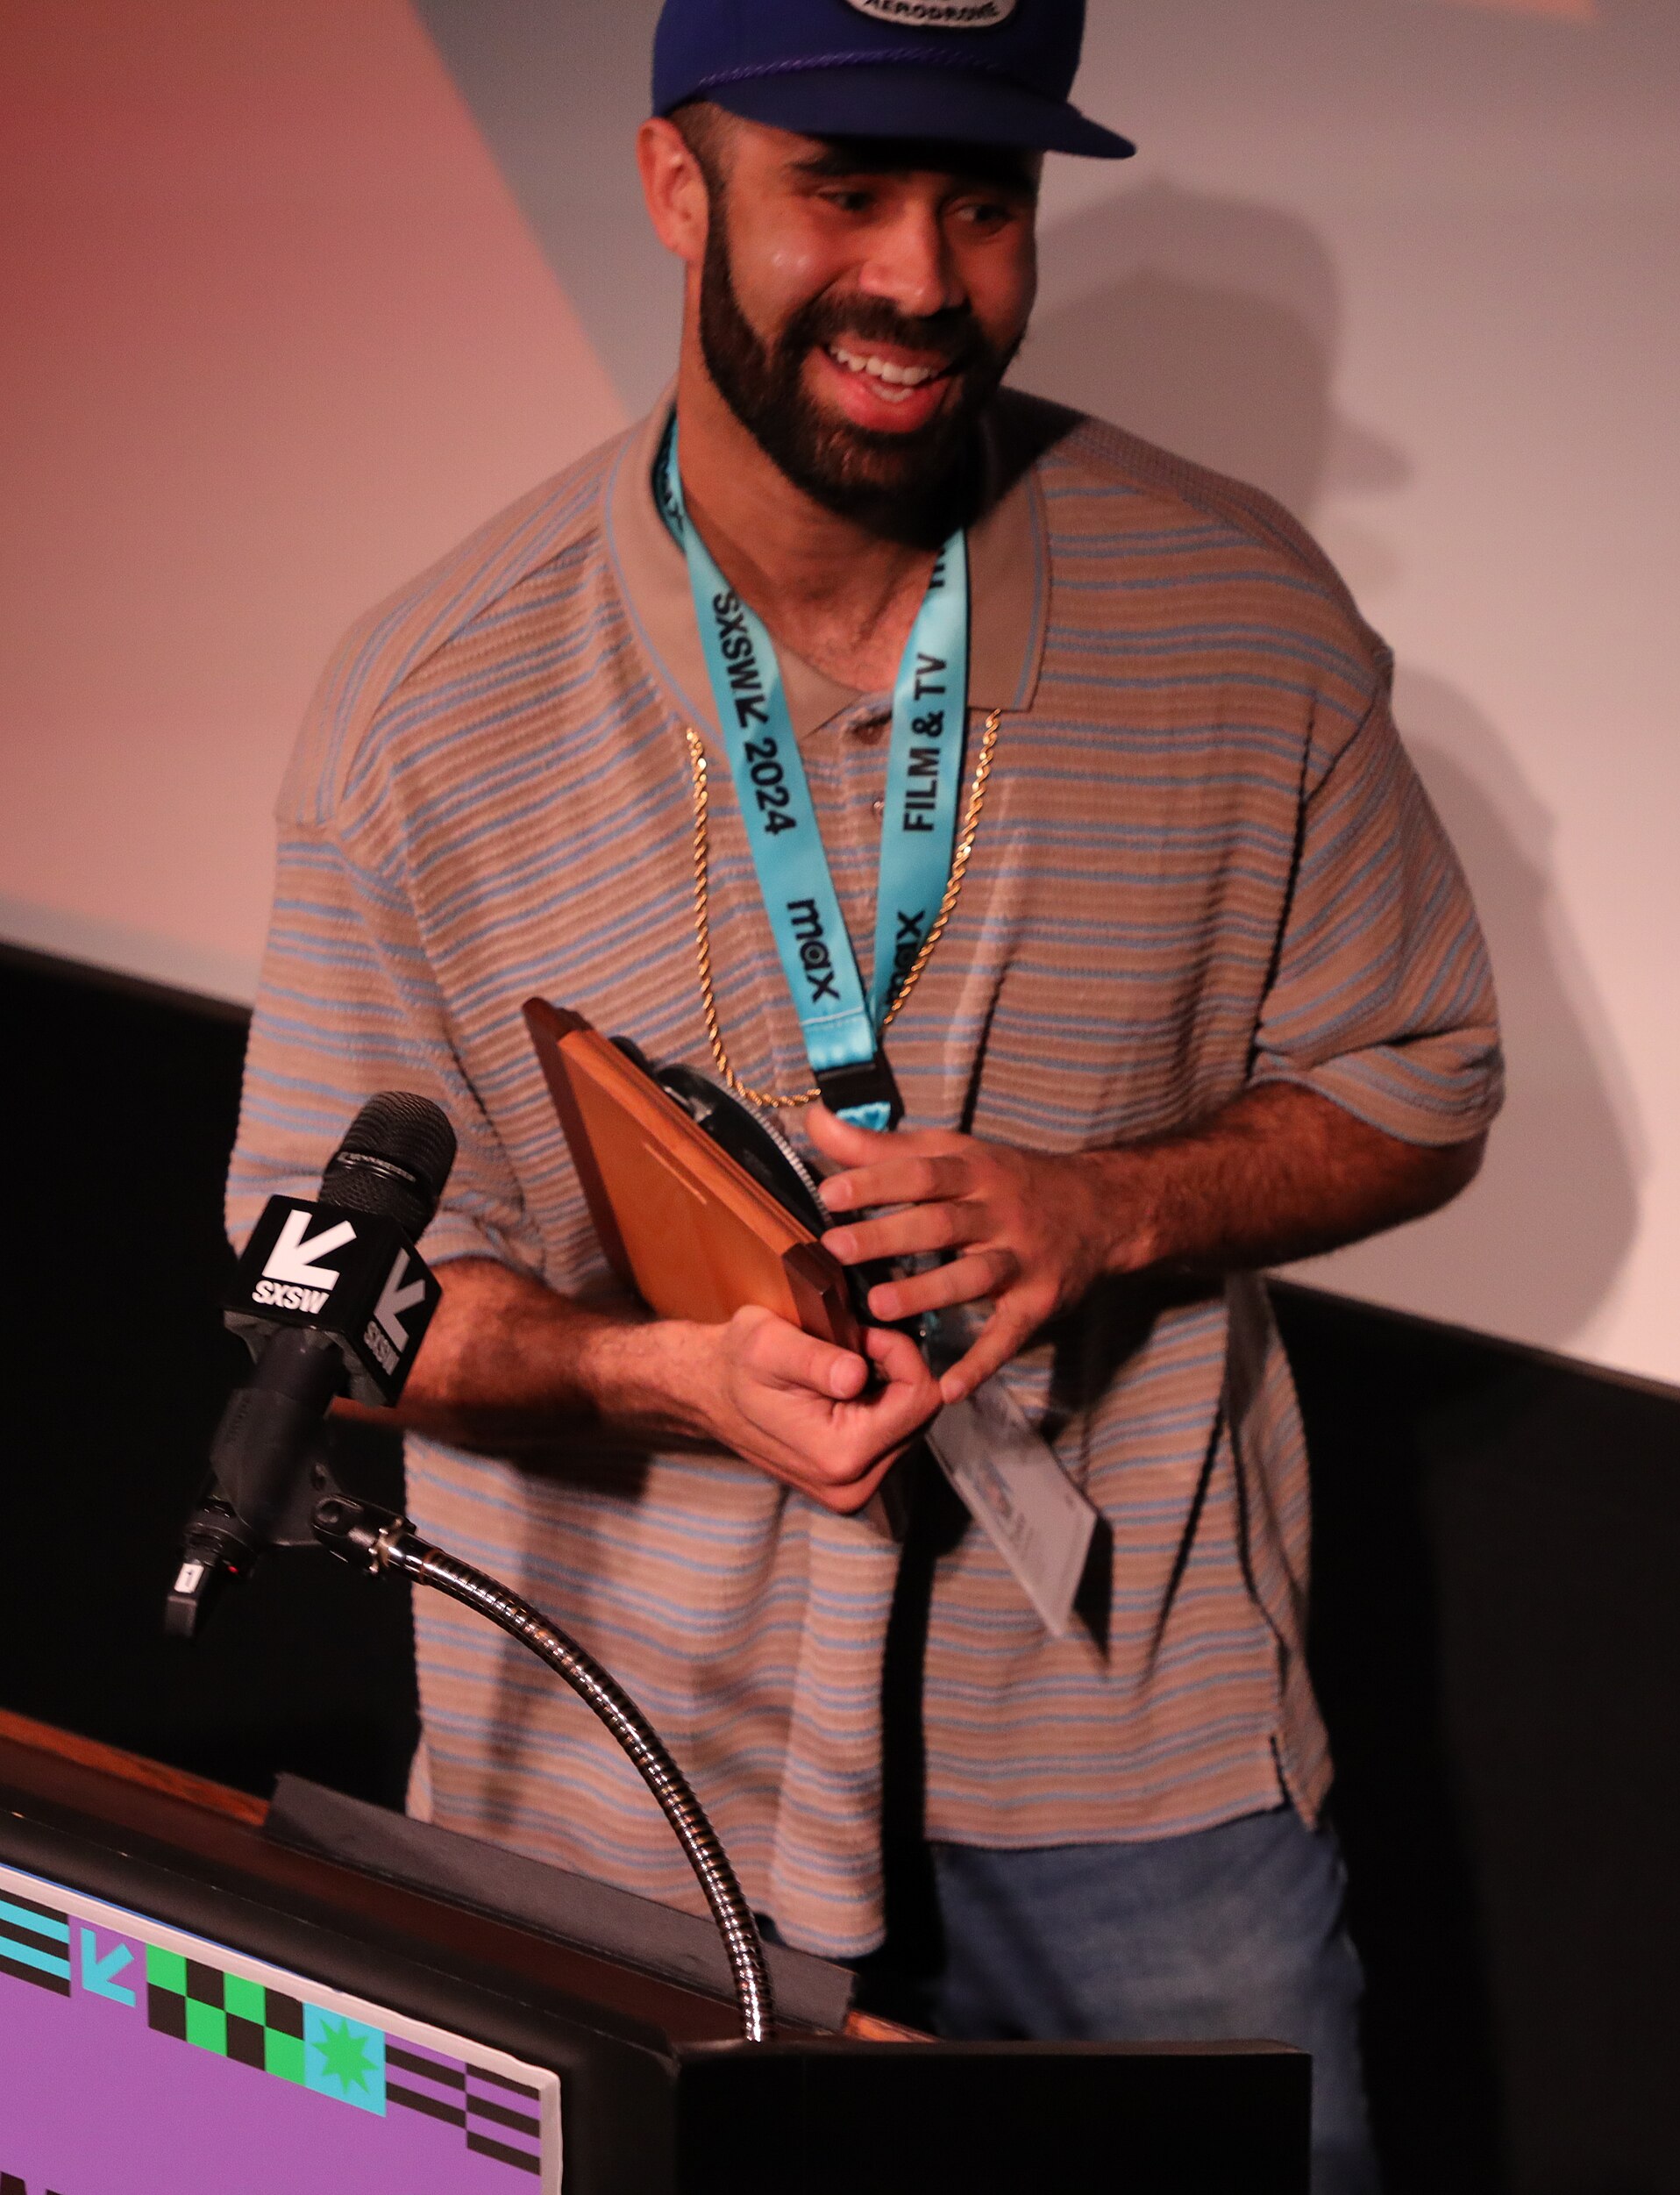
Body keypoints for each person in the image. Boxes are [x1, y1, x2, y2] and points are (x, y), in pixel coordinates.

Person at [229, 3, 1502, 2186]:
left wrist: (1110, 1208)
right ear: (674, 185)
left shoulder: (1244, 617)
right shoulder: (427, 709)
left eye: (984, 202)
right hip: (626, 1777)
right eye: (845, 189)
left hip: (1134, 1763)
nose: (922, 277)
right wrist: (664, 1372)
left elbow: (1428, 1079)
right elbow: (318, 1292)